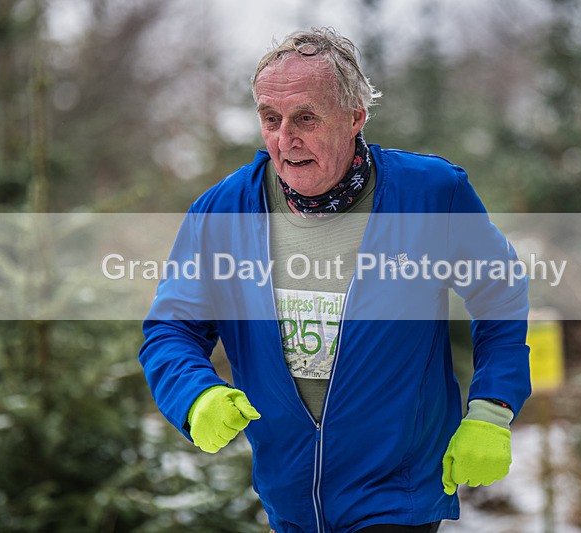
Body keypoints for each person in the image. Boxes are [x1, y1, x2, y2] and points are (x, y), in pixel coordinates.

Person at [139, 27, 531, 533]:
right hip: (290, 498)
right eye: (271, 119)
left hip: (398, 494)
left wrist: (491, 410)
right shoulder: (223, 211)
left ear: (354, 118)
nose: (286, 139)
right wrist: (195, 395)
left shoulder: (430, 194)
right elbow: (170, 328)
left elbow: (500, 293)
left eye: (306, 117)